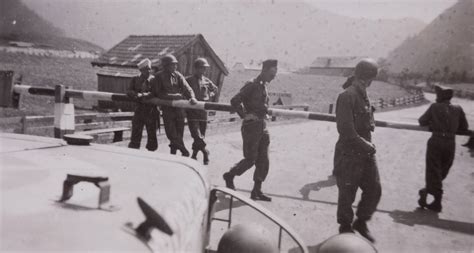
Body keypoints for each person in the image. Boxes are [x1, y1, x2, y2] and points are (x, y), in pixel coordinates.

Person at [333, 58, 381, 243]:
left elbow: (368, 122)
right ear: (367, 78)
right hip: (350, 152)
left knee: (374, 188)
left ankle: (361, 222)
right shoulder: (347, 96)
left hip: (365, 151)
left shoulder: (364, 95)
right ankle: (345, 229)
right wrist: (366, 145)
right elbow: (345, 130)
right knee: (347, 192)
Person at [222, 59, 278, 202]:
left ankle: (256, 191)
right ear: (264, 71)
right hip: (251, 127)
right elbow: (235, 100)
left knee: (264, 160)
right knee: (250, 159)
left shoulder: (264, 85)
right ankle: (230, 174)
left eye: (275, 74)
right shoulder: (252, 84)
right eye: (272, 73)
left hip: (262, 126)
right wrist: (244, 115)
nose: (274, 77)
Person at [417, 85, 468, 212]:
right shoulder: (458, 108)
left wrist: (434, 123)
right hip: (450, 143)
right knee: (443, 170)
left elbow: (422, 121)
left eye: (437, 95)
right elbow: (464, 127)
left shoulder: (435, 107)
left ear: (440, 96)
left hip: (436, 141)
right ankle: (431, 195)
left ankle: (434, 198)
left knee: (433, 169)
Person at [152, 54, 197, 156]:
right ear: (166, 65)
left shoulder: (178, 75)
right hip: (168, 109)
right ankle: (184, 151)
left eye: (175, 65)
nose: (175, 67)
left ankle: (173, 154)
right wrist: (174, 96)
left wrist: (192, 97)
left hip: (179, 109)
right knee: (171, 134)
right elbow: (158, 93)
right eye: (172, 65)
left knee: (179, 134)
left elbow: (187, 88)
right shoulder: (158, 76)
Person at [186, 58, 218, 165]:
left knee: (201, 134)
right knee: (196, 134)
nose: (203, 70)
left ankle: (194, 155)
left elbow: (215, 89)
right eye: (201, 68)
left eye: (205, 68)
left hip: (203, 111)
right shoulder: (188, 80)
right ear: (195, 68)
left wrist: (211, 95)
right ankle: (205, 152)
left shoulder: (207, 81)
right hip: (192, 111)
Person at [127, 58, 159, 151]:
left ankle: (151, 152)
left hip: (151, 111)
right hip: (139, 109)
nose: (148, 71)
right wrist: (135, 94)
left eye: (149, 69)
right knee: (136, 133)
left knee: (152, 135)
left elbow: (156, 92)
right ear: (141, 70)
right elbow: (129, 90)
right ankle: (133, 151)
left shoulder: (154, 80)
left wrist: (144, 95)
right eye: (145, 69)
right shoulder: (135, 79)